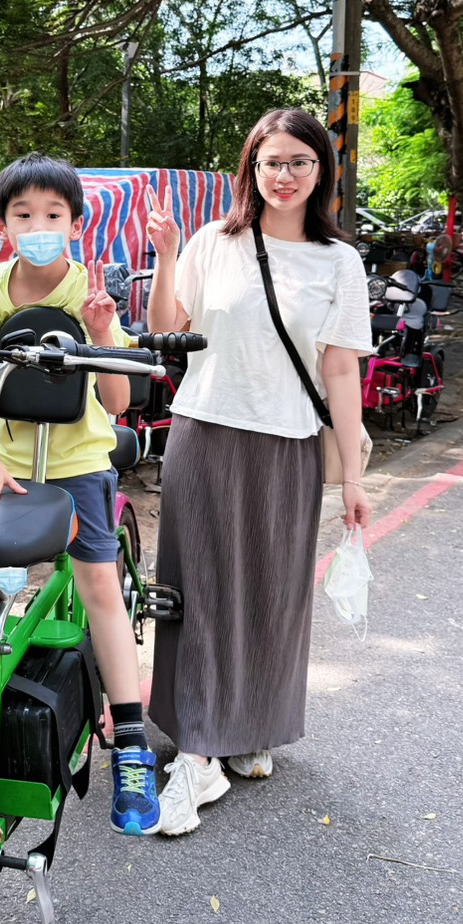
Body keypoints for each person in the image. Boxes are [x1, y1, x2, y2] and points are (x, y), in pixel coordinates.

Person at [144, 108, 372, 836]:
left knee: (273, 594)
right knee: (200, 591)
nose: (284, 175)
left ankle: (249, 728)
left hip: (289, 443)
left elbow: (338, 369)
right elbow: (166, 326)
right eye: (271, 162)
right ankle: (199, 753)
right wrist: (167, 251)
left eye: (299, 162)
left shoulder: (339, 262)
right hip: (205, 430)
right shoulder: (216, 240)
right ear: (251, 167)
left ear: (321, 173)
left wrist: (357, 477)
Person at [0, 153, 161, 835]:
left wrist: (103, 331)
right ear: (3, 223)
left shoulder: (87, 291)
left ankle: (130, 744)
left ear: (75, 224)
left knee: (100, 585)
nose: (38, 225)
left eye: (52, 214)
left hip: (78, 461)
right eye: (23, 214)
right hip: (8, 463)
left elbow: (119, 397)